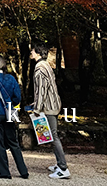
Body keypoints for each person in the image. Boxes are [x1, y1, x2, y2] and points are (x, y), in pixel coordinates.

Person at [28, 42, 69, 179]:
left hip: (48, 107)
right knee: (53, 136)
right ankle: (59, 164)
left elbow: (41, 90)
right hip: (54, 104)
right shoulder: (46, 65)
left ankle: (63, 167)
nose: (31, 52)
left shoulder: (39, 68)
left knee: (53, 136)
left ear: (38, 52)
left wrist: (37, 108)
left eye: (33, 50)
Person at [0, 54, 28, 179]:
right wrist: (10, 105)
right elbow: (17, 97)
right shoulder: (11, 78)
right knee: (13, 142)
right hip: (9, 113)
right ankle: (23, 171)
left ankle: (4, 172)